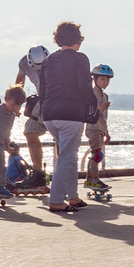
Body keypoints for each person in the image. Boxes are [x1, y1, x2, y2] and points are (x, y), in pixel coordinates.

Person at [40, 22, 97, 214]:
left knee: (70, 154)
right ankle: (56, 200)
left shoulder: (48, 60)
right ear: (77, 40)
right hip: (70, 115)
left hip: (49, 115)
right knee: (65, 157)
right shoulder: (80, 59)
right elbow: (84, 86)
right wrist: (93, 105)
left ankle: (72, 197)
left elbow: (42, 89)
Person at [14, 47, 49, 183]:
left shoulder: (55, 61)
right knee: (30, 132)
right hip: (42, 99)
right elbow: (20, 78)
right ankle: (38, 173)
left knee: (61, 135)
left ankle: (61, 171)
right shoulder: (23, 63)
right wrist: (17, 101)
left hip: (57, 98)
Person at [86, 64, 113, 190]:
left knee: (94, 154)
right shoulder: (90, 94)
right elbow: (89, 112)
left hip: (101, 128)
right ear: (94, 79)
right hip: (93, 127)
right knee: (97, 155)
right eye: (102, 79)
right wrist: (101, 108)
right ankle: (95, 180)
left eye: (107, 80)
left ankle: (89, 180)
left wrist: (106, 132)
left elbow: (104, 117)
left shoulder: (105, 96)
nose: (105, 82)